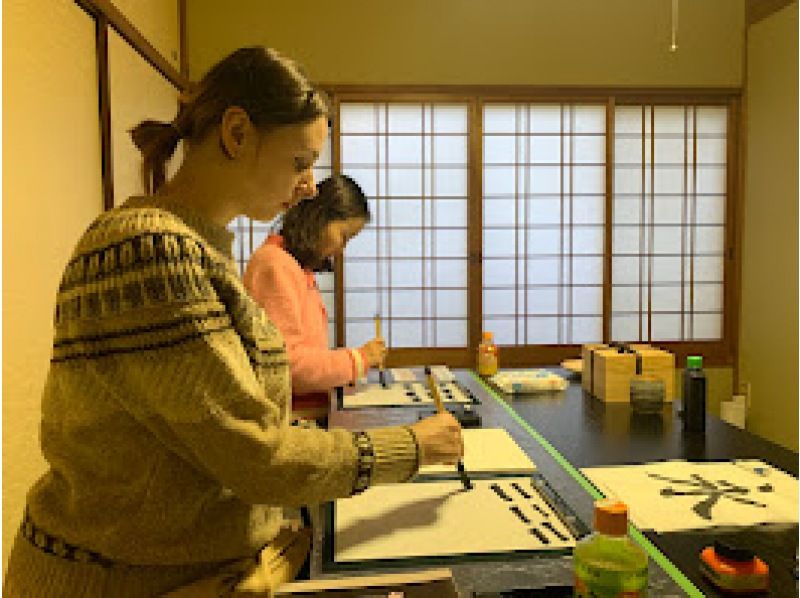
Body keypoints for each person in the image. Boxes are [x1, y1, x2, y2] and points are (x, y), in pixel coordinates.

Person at [3, 46, 463, 597]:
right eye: (300, 162)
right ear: (237, 134)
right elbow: (254, 454)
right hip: (117, 580)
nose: (311, 185)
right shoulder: (152, 248)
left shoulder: (193, 246)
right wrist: (410, 446)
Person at [243, 174, 382, 424]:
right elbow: (290, 365)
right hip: (289, 422)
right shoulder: (276, 265)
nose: (341, 249)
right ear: (320, 218)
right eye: (344, 236)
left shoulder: (293, 265)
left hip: (303, 416)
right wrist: (358, 359)